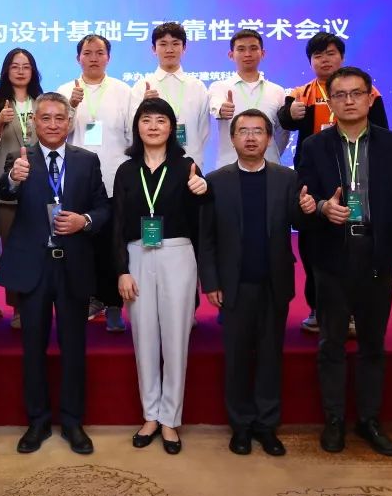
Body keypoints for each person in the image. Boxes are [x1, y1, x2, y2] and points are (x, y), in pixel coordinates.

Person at [295, 66, 392, 457]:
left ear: (370, 97)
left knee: (372, 343)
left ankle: (369, 420)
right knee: (331, 341)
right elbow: (302, 197)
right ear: (329, 101)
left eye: (356, 93)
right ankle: (334, 420)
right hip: (332, 252)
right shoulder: (314, 146)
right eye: (340, 94)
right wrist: (321, 208)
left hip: (377, 252)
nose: (348, 101)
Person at [0, 92, 111, 455]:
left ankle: (73, 422)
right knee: (33, 348)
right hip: (34, 266)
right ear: (34, 122)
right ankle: (38, 421)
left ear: (70, 122)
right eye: (44, 118)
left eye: (59, 118)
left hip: (73, 265)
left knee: (74, 347)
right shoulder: (21, 158)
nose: (52, 124)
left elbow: (103, 208)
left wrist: (84, 220)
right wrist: (13, 179)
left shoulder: (86, 161)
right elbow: (2, 192)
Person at [199, 109, 315, 457]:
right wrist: (211, 282)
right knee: (236, 359)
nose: (251, 138)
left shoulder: (286, 178)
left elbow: (298, 222)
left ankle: (266, 426)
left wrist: (307, 209)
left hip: (273, 283)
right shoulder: (216, 181)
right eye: (244, 131)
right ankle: (240, 426)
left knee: (269, 357)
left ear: (268, 138)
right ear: (232, 138)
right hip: (233, 285)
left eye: (258, 131)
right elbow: (207, 238)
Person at [114, 98, 209, 455]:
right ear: (137, 127)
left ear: (172, 127)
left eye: (161, 120)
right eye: (146, 120)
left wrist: (203, 191)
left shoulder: (187, 167)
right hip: (137, 254)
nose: (153, 127)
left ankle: (170, 418)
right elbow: (118, 225)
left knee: (175, 339)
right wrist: (122, 270)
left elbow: (201, 218)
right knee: (144, 338)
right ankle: (150, 415)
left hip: (177, 254)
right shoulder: (127, 170)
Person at [278, 32, 389, 334]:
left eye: (330, 53)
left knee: (357, 247)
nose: (324, 60)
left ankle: (354, 311)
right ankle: (318, 307)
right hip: (316, 177)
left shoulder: (368, 92)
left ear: (341, 57)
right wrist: (290, 113)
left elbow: (381, 130)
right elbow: (284, 121)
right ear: (310, 62)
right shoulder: (302, 92)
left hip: (357, 173)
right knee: (313, 245)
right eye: (318, 55)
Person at [56, 34, 131, 332]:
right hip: (76, 180)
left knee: (112, 245)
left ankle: (113, 305)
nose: (94, 58)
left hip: (114, 178)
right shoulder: (64, 91)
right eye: (87, 53)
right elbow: (55, 134)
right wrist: (71, 107)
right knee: (80, 246)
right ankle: (86, 299)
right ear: (78, 58)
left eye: (100, 52)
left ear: (108, 57)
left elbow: (132, 135)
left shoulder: (124, 91)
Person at [0, 47, 44, 329]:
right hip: (5, 184)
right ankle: (18, 308)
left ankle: (38, 302)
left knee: (39, 245)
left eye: (26, 66)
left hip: (39, 181)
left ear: (33, 71)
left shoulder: (42, 101)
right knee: (12, 248)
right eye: (15, 66)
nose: (20, 71)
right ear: (6, 70)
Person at [129, 21, 209, 170]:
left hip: (190, 161)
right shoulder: (142, 86)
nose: (169, 50)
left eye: (175, 44)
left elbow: (203, 131)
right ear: (154, 49)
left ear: (184, 48)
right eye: (163, 44)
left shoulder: (197, 86)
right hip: (152, 164)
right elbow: (133, 127)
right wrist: (144, 107)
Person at [207, 29, 288, 169]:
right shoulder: (220, 87)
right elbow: (216, 107)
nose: (247, 54)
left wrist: (269, 152)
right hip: (230, 167)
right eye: (241, 49)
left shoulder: (277, 91)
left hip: (269, 166)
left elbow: (282, 133)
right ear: (231, 55)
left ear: (263, 53)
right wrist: (222, 110)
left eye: (253, 48)